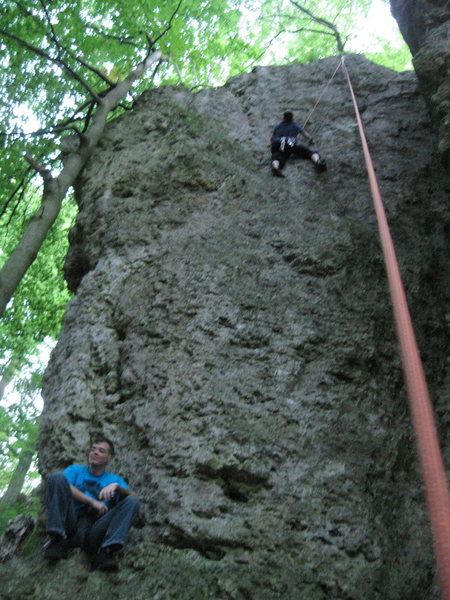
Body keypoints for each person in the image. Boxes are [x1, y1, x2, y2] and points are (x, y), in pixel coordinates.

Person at [43, 435, 139, 571]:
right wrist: (92, 501)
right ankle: (57, 538)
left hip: (95, 530)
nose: (95, 452)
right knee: (56, 477)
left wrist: (117, 487)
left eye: (101, 451)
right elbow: (62, 484)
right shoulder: (75, 470)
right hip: (71, 523)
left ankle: (106, 551)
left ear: (110, 458)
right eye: (93, 449)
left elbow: (134, 497)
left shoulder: (113, 479)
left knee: (131, 502)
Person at [270, 110, 327, 177]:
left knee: (277, 156)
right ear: (292, 118)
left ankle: (275, 167)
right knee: (308, 152)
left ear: (283, 118)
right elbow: (305, 134)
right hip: (290, 143)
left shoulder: (278, 126)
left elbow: (272, 139)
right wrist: (311, 140)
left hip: (277, 144)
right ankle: (317, 161)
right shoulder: (295, 125)